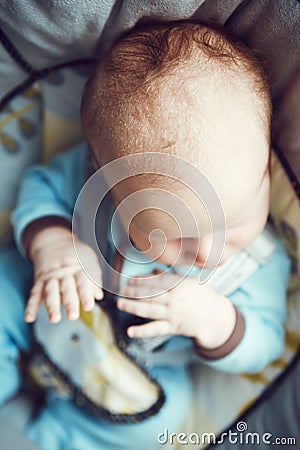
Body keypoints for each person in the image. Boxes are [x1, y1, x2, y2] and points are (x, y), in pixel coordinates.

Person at [0, 20, 290, 450]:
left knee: (162, 425)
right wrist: (53, 244)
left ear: (265, 171)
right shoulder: (93, 186)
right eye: (175, 237)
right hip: (46, 302)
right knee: (5, 282)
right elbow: (43, 188)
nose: (207, 254)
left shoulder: (259, 263)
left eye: (232, 224)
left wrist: (216, 322)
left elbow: (266, 342)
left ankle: (46, 437)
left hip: (134, 374)